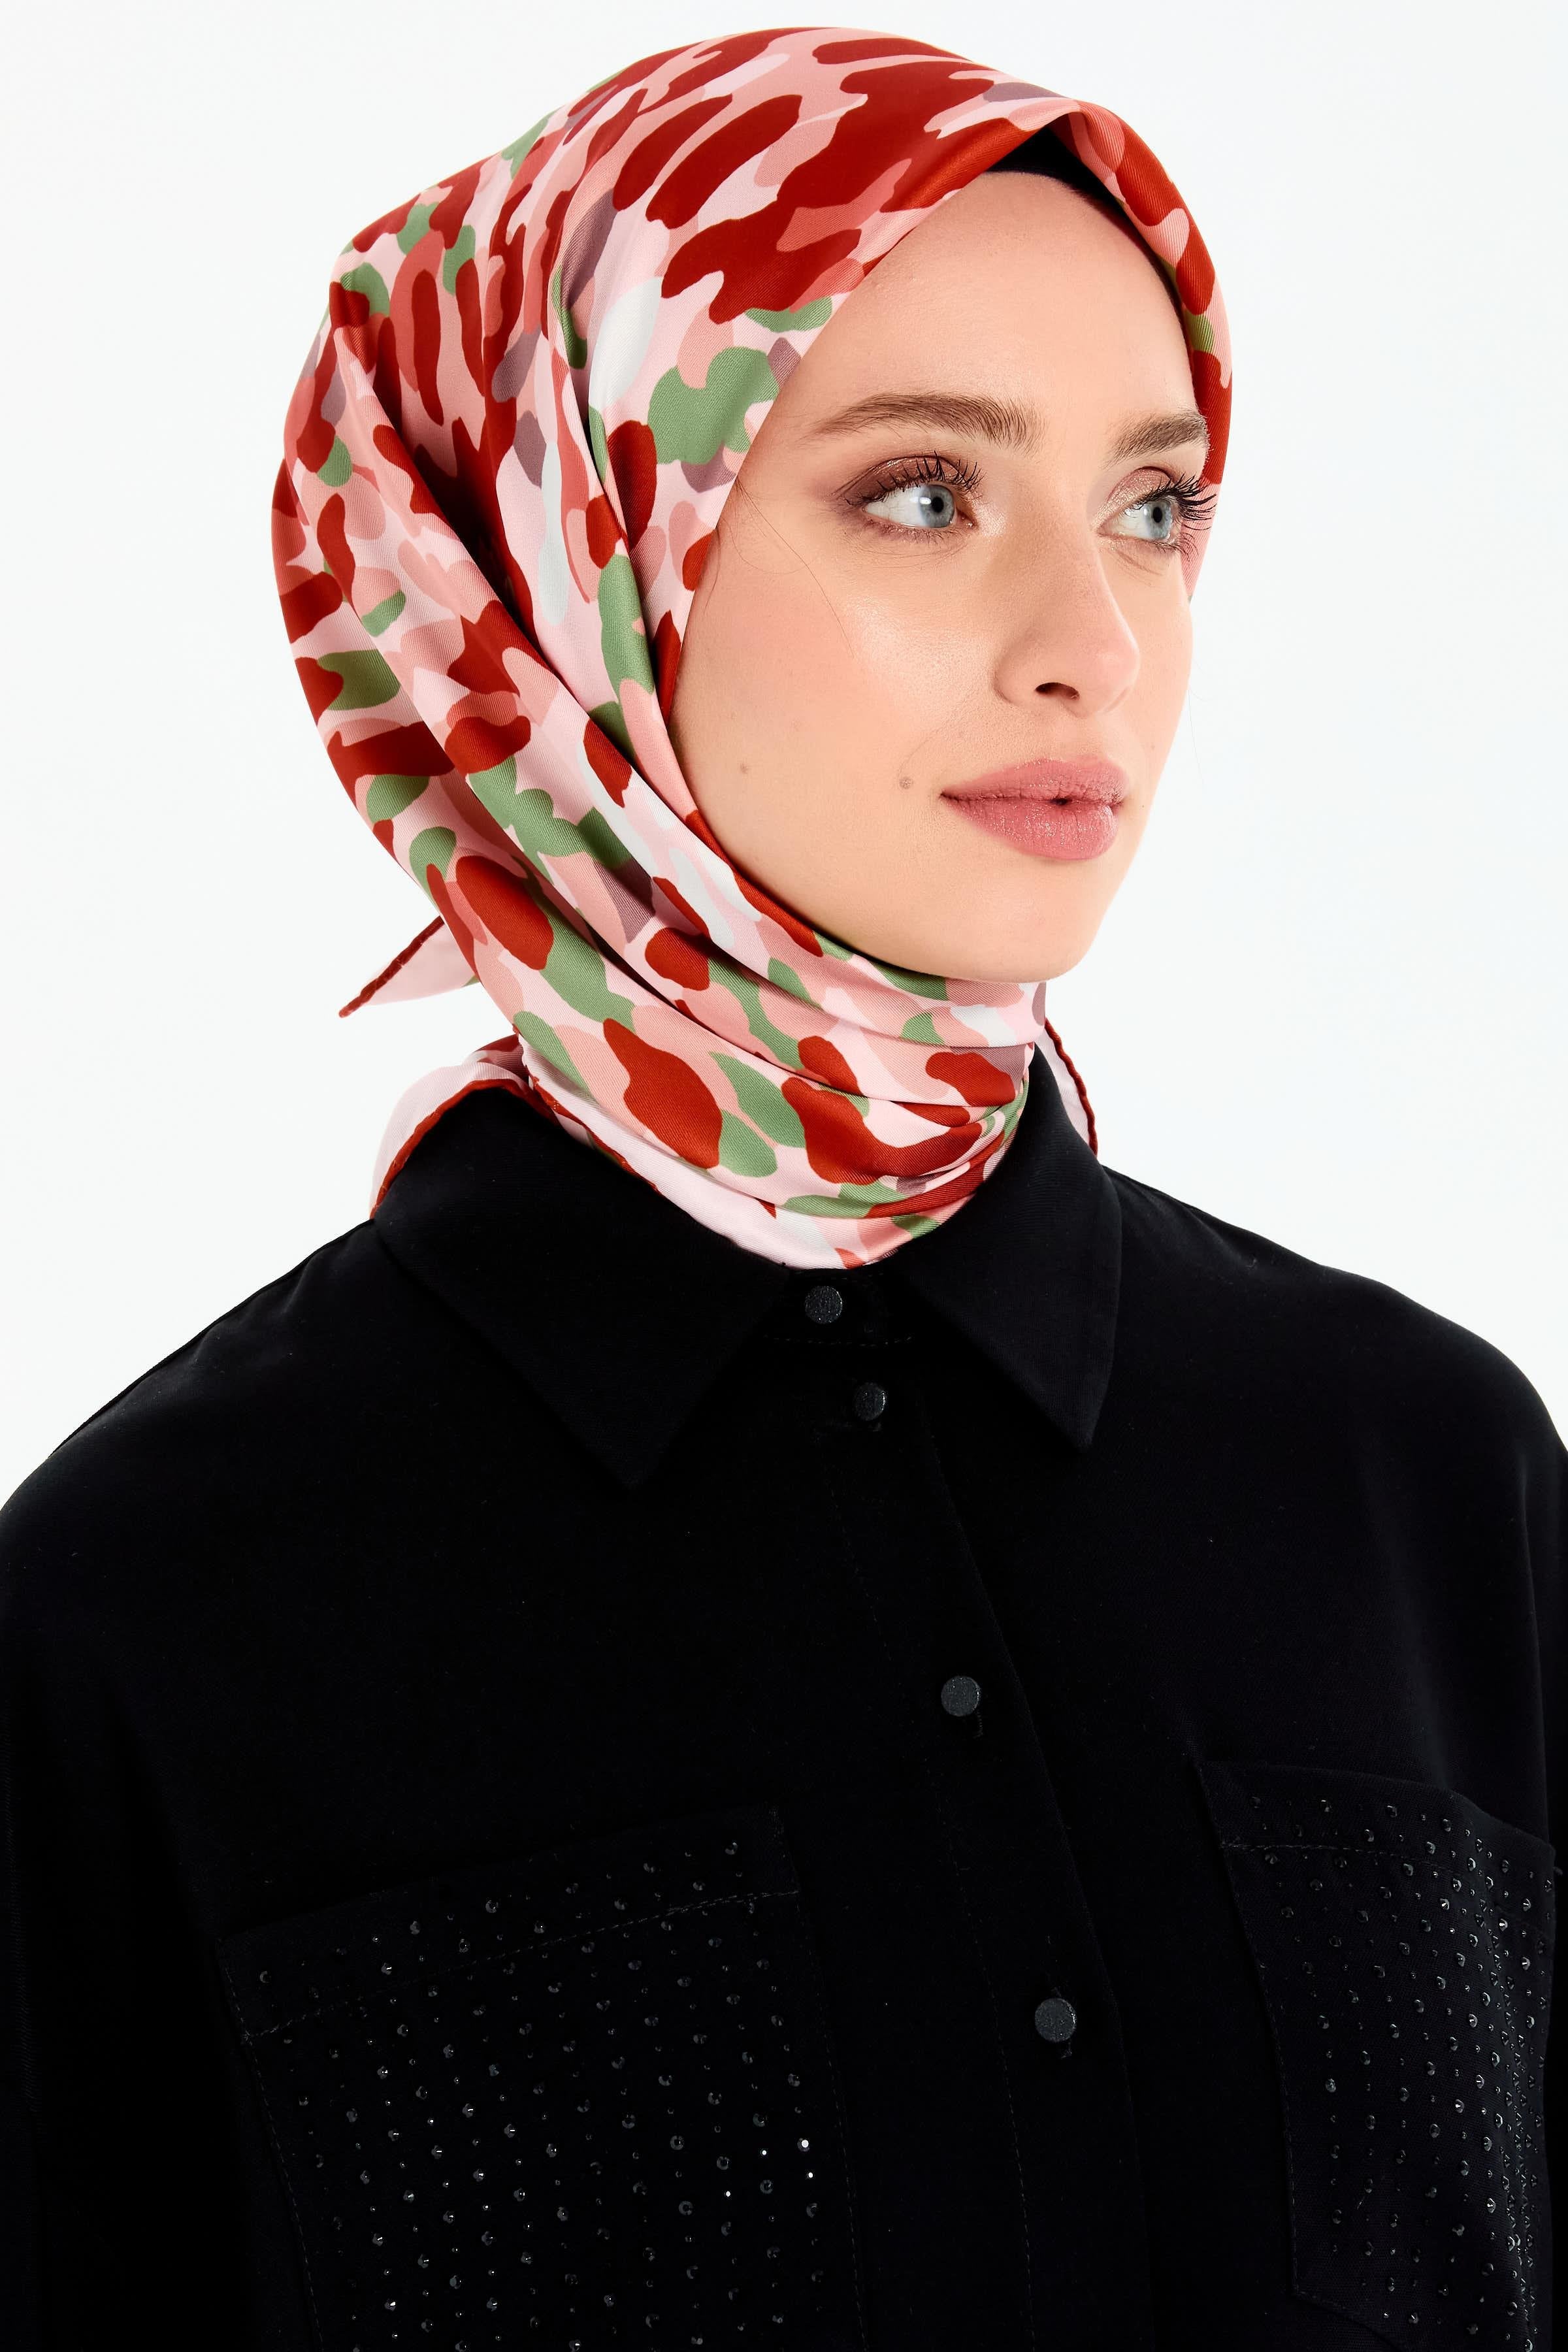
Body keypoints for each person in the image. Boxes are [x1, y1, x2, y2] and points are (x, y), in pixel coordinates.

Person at [1, 25, 1561, 2351]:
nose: (1096, 647)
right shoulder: (147, 1610)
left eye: (1156, 507)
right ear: (571, 557)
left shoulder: (1427, 1482)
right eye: (923, 494)